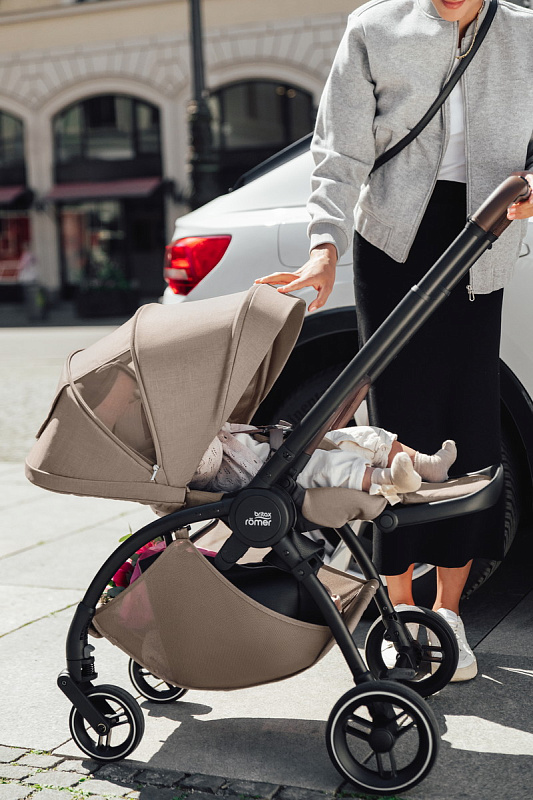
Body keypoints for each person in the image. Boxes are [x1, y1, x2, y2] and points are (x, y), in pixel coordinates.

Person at [256, 0, 533, 681]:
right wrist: (324, 249)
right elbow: (339, 150)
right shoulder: (373, 28)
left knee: (470, 425)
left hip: (485, 237)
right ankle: (397, 609)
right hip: (391, 244)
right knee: (399, 428)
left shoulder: (525, 33)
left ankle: (448, 614)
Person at [189, 422, 457, 502]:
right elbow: (203, 466)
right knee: (326, 466)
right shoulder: (191, 453)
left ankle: (425, 464)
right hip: (264, 475)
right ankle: (389, 480)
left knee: (360, 437)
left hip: (273, 449)